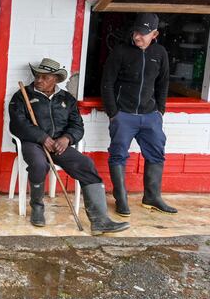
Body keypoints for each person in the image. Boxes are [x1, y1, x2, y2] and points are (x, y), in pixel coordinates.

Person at [9, 58, 129, 235]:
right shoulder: (23, 95)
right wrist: (42, 137)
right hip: (32, 142)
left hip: (59, 144)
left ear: (56, 79)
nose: (39, 80)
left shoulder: (67, 99)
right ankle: (37, 208)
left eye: (45, 77)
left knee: (86, 165)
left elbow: (77, 125)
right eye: (38, 76)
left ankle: (100, 220)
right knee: (39, 165)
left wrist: (67, 138)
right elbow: (17, 124)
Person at [101, 12, 177, 216]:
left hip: (150, 116)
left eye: (144, 33)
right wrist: (113, 113)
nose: (137, 37)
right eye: (136, 32)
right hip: (123, 115)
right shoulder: (120, 51)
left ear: (155, 34)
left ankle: (152, 197)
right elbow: (106, 83)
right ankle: (121, 198)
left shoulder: (160, 53)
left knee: (156, 154)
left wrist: (160, 111)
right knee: (118, 156)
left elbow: (163, 83)